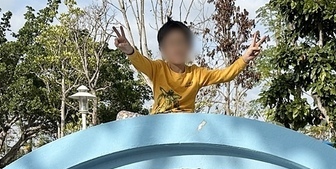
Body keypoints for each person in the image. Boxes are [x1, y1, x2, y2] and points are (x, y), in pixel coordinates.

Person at [113, 21, 267, 114]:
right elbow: (140, 62)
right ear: (162, 50)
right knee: (122, 116)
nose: (177, 48)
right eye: (171, 44)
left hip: (186, 123)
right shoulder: (157, 68)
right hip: (159, 122)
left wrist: (245, 58)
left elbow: (225, 75)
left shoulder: (196, 73)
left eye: (181, 43)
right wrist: (129, 50)